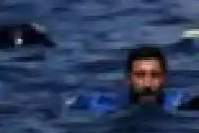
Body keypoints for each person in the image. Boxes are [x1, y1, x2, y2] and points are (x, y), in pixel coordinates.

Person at [68, 45, 199, 112]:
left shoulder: (178, 103)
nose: (147, 82)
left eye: (154, 75)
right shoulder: (107, 104)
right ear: (129, 78)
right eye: (141, 75)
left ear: (163, 78)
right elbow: (73, 102)